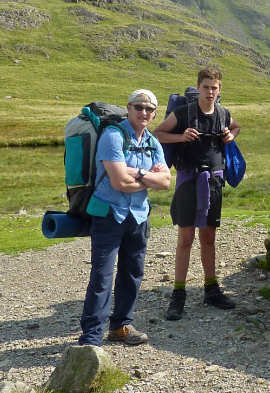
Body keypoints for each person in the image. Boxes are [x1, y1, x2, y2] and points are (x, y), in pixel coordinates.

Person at [78, 89, 171, 347]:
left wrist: (137, 173)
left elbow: (166, 182)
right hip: (109, 213)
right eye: (138, 107)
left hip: (139, 216)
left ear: (155, 114)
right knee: (102, 277)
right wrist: (149, 179)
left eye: (149, 109)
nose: (144, 112)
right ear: (128, 108)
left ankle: (121, 326)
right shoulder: (112, 136)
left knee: (132, 273)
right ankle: (91, 338)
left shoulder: (152, 141)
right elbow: (119, 182)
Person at [153, 67, 241, 317]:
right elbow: (158, 133)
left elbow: (236, 127)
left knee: (209, 238)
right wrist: (181, 137)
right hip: (188, 180)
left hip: (214, 182)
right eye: (206, 87)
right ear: (199, 88)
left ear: (220, 89)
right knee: (186, 238)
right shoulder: (183, 113)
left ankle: (211, 289)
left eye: (214, 87)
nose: (210, 92)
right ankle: (178, 294)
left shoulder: (223, 114)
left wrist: (230, 135)